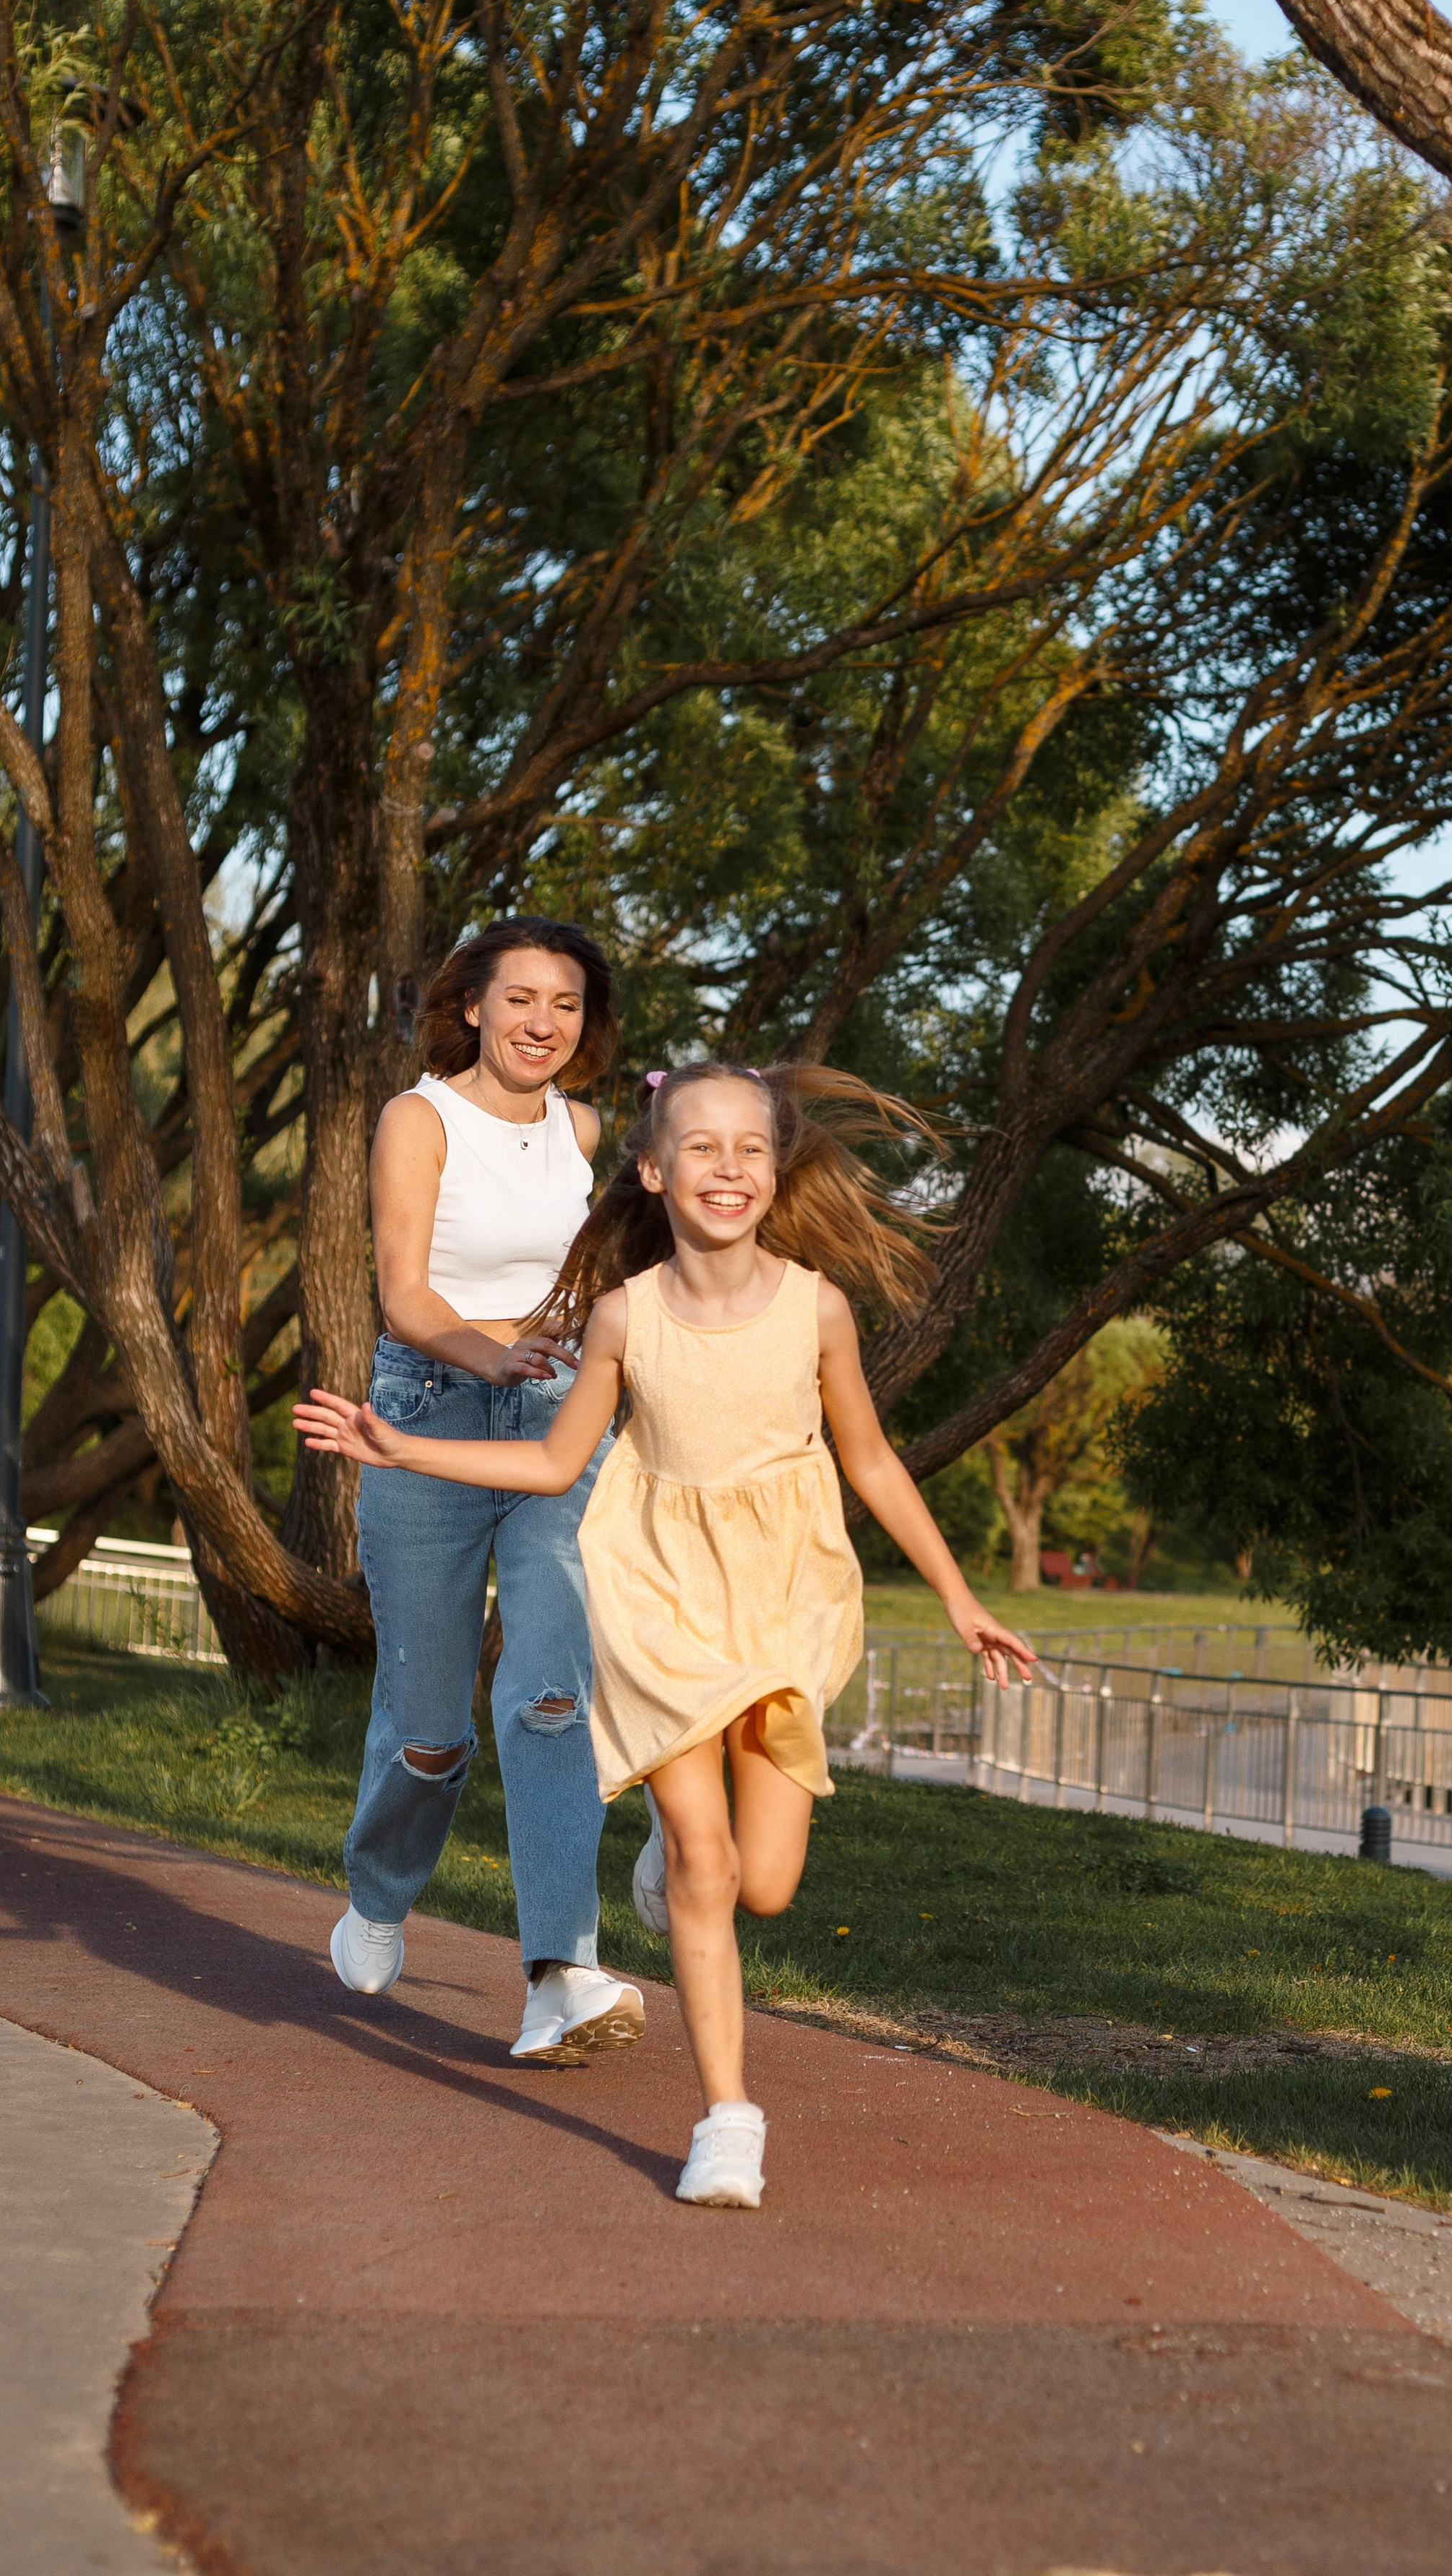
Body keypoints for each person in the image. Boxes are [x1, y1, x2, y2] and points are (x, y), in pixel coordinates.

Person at [296, 1059, 1033, 2207]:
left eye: (751, 1148)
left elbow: (872, 1460)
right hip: (656, 1594)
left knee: (768, 1884)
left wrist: (959, 1594)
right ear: (652, 1167)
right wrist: (404, 1446)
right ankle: (728, 2119)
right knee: (705, 1859)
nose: (728, 1168)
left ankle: (683, 1863)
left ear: (777, 1169)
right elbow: (550, 1463)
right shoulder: (624, 1316)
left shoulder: (817, 1307)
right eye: (702, 1146)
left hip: (784, 1593)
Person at [331, 916, 646, 2071]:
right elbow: (406, 1295)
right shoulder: (420, 1117)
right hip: (428, 1405)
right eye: (520, 1000)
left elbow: (609, 1281)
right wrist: (490, 1353)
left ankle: (560, 1975)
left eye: (564, 1006)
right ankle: (377, 1893)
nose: (541, 1025)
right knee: (429, 1736)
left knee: (551, 1695)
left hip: (557, 1422)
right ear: (473, 1005)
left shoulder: (587, 1130)